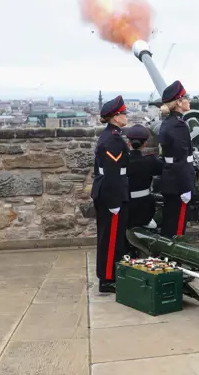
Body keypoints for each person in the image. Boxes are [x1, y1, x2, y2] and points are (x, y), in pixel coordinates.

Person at [90, 95, 130, 293]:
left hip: (106, 190)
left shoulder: (109, 135)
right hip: (112, 193)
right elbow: (113, 172)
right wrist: (115, 201)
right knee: (111, 238)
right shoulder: (113, 139)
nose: (126, 116)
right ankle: (107, 279)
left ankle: (109, 276)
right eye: (124, 113)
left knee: (110, 236)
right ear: (116, 117)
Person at [157, 80, 194, 237]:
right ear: (179, 102)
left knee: (170, 222)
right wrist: (185, 188)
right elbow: (181, 159)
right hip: (179, 183)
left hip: (170, 179)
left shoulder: (168, 122)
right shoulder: (179, 125)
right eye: (186, 98)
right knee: (177, 229)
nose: (189, 101)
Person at [122, 124, 164, 230]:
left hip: (126, 207)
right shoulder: (150, 161)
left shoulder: (122, 162)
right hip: (145, 209)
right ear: (144, 144)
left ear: (128, 143)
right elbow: (163, 169)